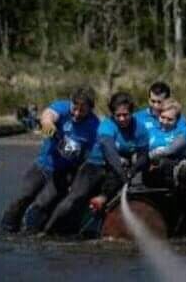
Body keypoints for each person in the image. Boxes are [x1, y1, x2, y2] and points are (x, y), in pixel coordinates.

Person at [42, 92, 150, 233]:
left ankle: (101, 212)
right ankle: (47, 230)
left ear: (132, 113)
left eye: (126, 115)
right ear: (113, 115)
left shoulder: (140, 129)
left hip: (117, 169)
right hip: (95, 165)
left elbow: (143, 156)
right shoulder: (106, 126)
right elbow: (110, 152)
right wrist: (123, 175)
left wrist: (132, 171)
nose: (122, 119)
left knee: (115, 187)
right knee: (75, 197)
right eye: (118, 115)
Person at [1, 87, 100, 233]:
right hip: (43, 165)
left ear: (90, 109)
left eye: (82, 110)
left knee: (42, 204)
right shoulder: (62, 107)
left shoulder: (94, 125)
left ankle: (31, 234)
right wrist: (52, 130)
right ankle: (6, 229)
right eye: (75, 108)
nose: (77, 113)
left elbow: (91, 156)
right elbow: (47, 116)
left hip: (63, 173)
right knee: (24, 197)